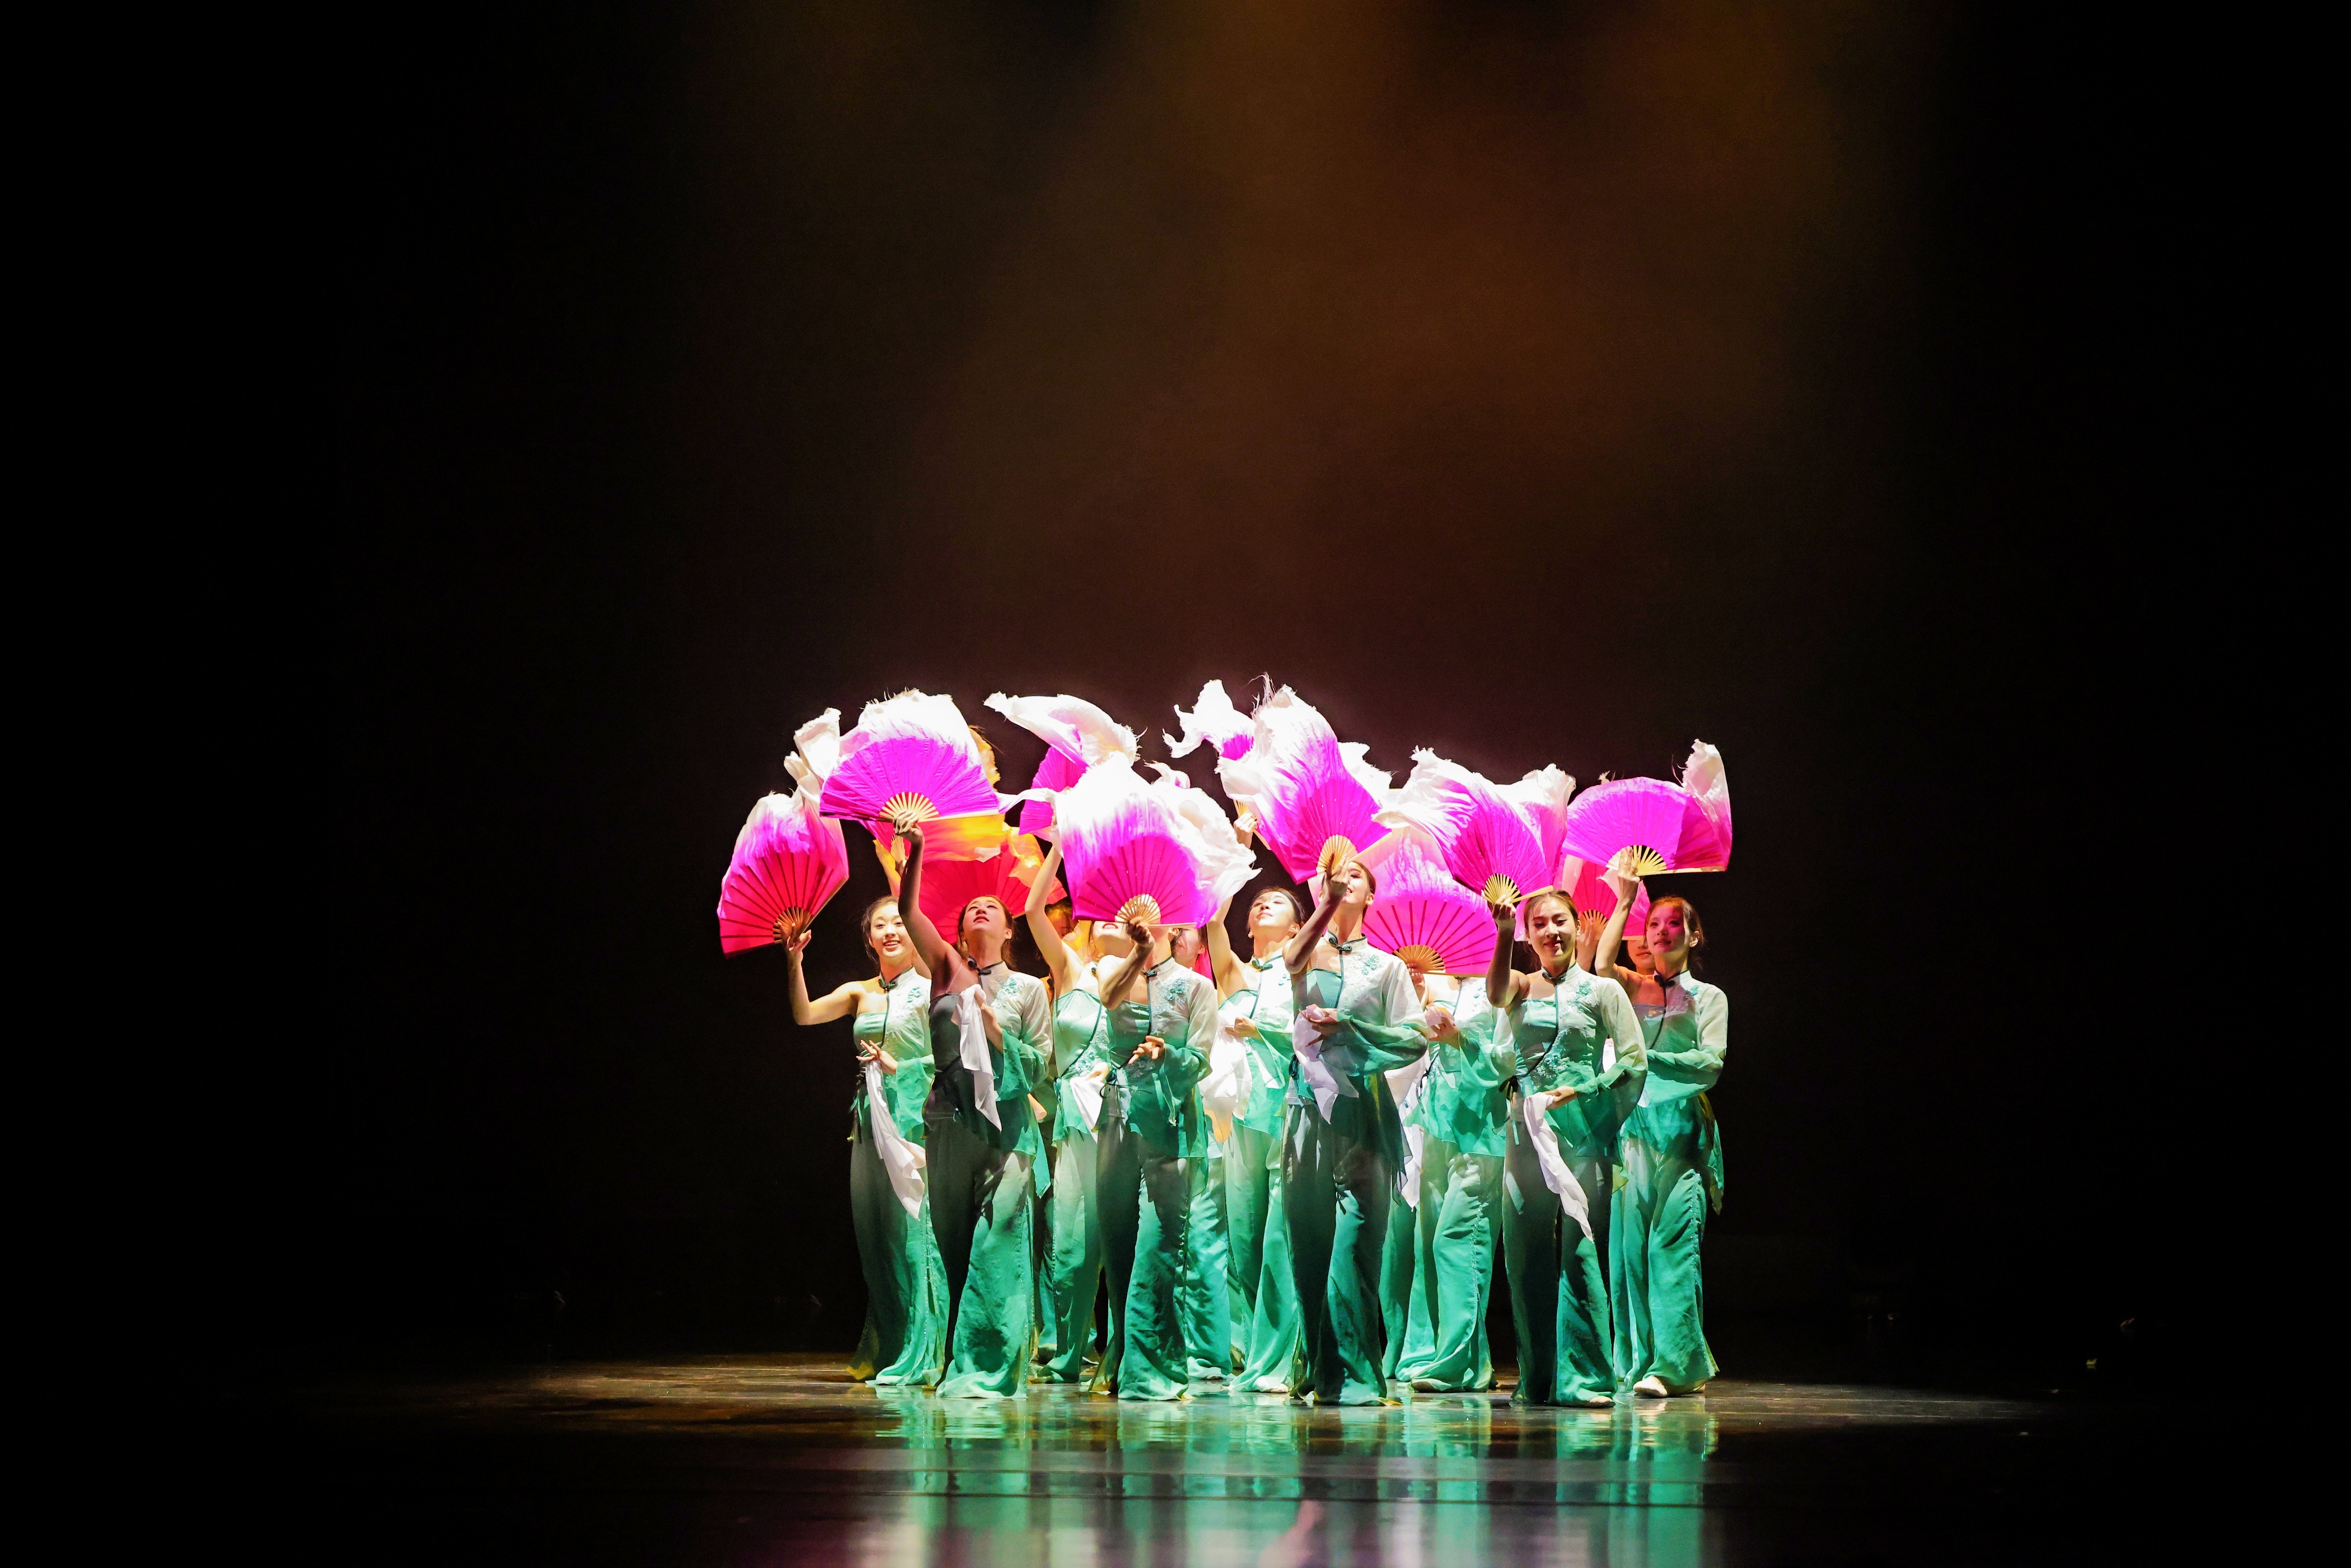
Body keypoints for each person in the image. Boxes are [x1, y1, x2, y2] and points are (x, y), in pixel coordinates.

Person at [898, 822, 1053, 1398]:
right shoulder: (944, 966)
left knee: (999, 1239)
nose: (981, 909)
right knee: (954, 1241)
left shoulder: (1029, 988)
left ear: (1010, 929)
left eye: (993, 907)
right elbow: (908, 910)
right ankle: (953, 1356)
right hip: (948, 1119)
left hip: (1006, 1126)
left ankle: (989, 1367)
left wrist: (996, 1031)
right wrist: (915, 849)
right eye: (972, 908)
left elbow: (1041, 1063)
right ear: (961, 929)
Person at [1484, 886, 1647, 1406]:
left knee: (1581, 1249)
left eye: (1560, 921)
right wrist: (1503, 934)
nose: (1551, 931)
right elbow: (1494, 994)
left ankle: (1586, 1378)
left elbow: (1634, 1059)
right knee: (1525, 1253)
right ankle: (1538, 1379)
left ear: (1577, 927)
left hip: (1583, 1130)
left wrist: (1587, 1088)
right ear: (1529, 935)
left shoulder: (1603, 991)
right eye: (1540, 923)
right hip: (1526, 1132)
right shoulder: (1519, 984)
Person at [1282, 854, 1432, 1405]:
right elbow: (1291, 958)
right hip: (1306, 1106)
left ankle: (1355, 1374)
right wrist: (1324, 904)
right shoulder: (1305, 951)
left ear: (1370, 895)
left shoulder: (1387, 968)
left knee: (1355, 1243)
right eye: (1336, 872)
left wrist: (1353, 1027)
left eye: (1355, 876)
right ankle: (1319, 1364)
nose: (1344, 878)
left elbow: (1414, 1038)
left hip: (1362, 1110)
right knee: (1307, 1243)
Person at [784, 897, 947, 1387]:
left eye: (900, 922)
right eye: (881, 924)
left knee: (914, 1235)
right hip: (869, 1124)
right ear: (870, 938)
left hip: (913, 1123)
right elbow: (804, 1014)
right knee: (876, 1238)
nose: (892, 930)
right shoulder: (860, 992)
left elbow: (948, 1057)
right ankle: (893, 1344)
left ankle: (927, 1347)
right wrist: (794, 960)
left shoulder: (931, 989)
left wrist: (902, 1068)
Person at [1594, 869, 1727, 1398]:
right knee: (1630, 1252)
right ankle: (1638, 1361)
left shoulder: (1708, 997)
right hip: (1634, 1131)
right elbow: (1602, 965)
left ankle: (1677, 1365)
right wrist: (1624, 900)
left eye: (1675, 923)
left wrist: (1647, 1061)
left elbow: (1710, 1064)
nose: (1662, 931)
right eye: (1654, 923)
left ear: (1693, 936)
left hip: (1681, 1133)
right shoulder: (1636, 988)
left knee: (1669, 1246)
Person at [1093, 909, 1219, 1398]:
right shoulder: (1113, 965)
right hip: (1118, 1114)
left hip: (1171, 1121)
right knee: (1118, 1242)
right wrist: (1141, 951)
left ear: (1176, 924)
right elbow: (1109, 997)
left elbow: (1201, 1058)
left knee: (1159, 1245)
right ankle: (1122, 1358)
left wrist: (1169, 1055)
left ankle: (1154, 1368)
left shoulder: (1197, 986)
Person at [1022, 842, 1132, 1382]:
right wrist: (1061, 846)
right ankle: (1071, 1349)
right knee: (1071, 1236)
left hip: (1121, 1111)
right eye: (1104, 910)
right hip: (1075, 1115)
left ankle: (1127, 1349)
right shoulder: (1067, 966)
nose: (1111, 916)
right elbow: (1032, 911)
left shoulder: (1141, 973)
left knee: (1123, 1232)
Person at [1203, 879, 1308, 1391]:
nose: (1265, 904)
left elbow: (1314, 1038)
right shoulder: (1235, 973)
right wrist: (1236, 860)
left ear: (1297, 927)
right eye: (1258, 904)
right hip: (1241, 1115)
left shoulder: (1304, 972)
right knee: (1243, 1238)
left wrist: (1261, 1031)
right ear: (1247, 924)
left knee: (1279, 1238)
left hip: (1286, 1107)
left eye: (1279, 902)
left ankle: (1283, 1358)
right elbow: (1212, 922)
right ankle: (1254, 1350)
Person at [1392, 965, 1509, 1392]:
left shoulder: (1503, 986)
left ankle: (1461, 1361)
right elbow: (1412, 1040)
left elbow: (1509, 1059)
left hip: (1483, 1127)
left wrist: (1461, 1039)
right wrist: (1415, 997)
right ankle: (1429, 1350)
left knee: (1458, 1240)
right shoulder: (1438, 982)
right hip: (1437, 1120)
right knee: (1428, 1242)